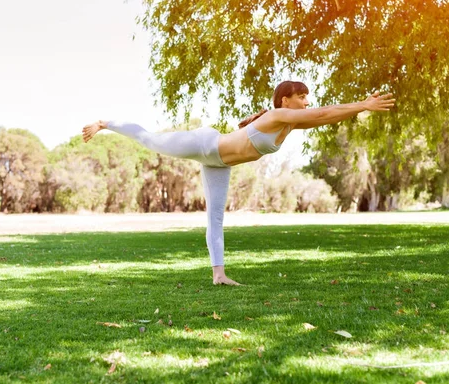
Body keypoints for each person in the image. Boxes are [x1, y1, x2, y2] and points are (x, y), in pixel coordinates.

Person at [82, 81, 395, 286]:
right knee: (151, 140)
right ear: (286, 99)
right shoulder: (277, 116)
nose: (306, 102)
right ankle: (105, 122)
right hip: (205, 144)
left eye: (306, 99)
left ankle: (219, 275)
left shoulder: (286, 125)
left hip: (219, 162)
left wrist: (357, 108)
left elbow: (324, 117)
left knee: (215, 217)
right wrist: (362, 105)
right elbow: (325, 112)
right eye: (302, 97)